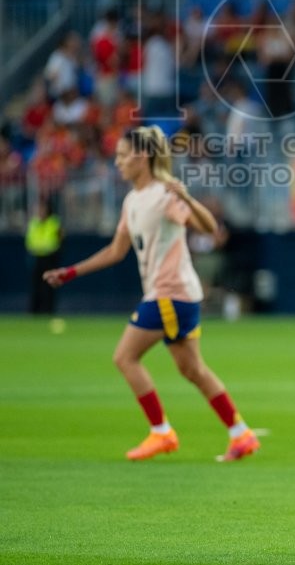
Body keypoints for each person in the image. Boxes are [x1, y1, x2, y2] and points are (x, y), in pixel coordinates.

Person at [43, 125, 260, 462]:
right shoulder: (133, 200)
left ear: (141, 156)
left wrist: (187, 197)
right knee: (192, 369)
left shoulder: (164, 196)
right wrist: (71, 272)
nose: (117, 163)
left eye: (122, 155)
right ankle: (241, 434)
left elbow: (208, 228)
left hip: (168, 294)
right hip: (176, 294)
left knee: (125, 357)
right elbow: (116, 251)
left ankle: (161, 432)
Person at [26, 198, 63, 314]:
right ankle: (34, 312)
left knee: (49, 286)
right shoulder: (33, 223)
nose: (39, 211)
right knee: (36, 286)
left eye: (42, 208)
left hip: (50, 258)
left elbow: (60, 239)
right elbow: (29, 240)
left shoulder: (54, 222)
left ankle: (48, 311)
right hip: (36, 258)